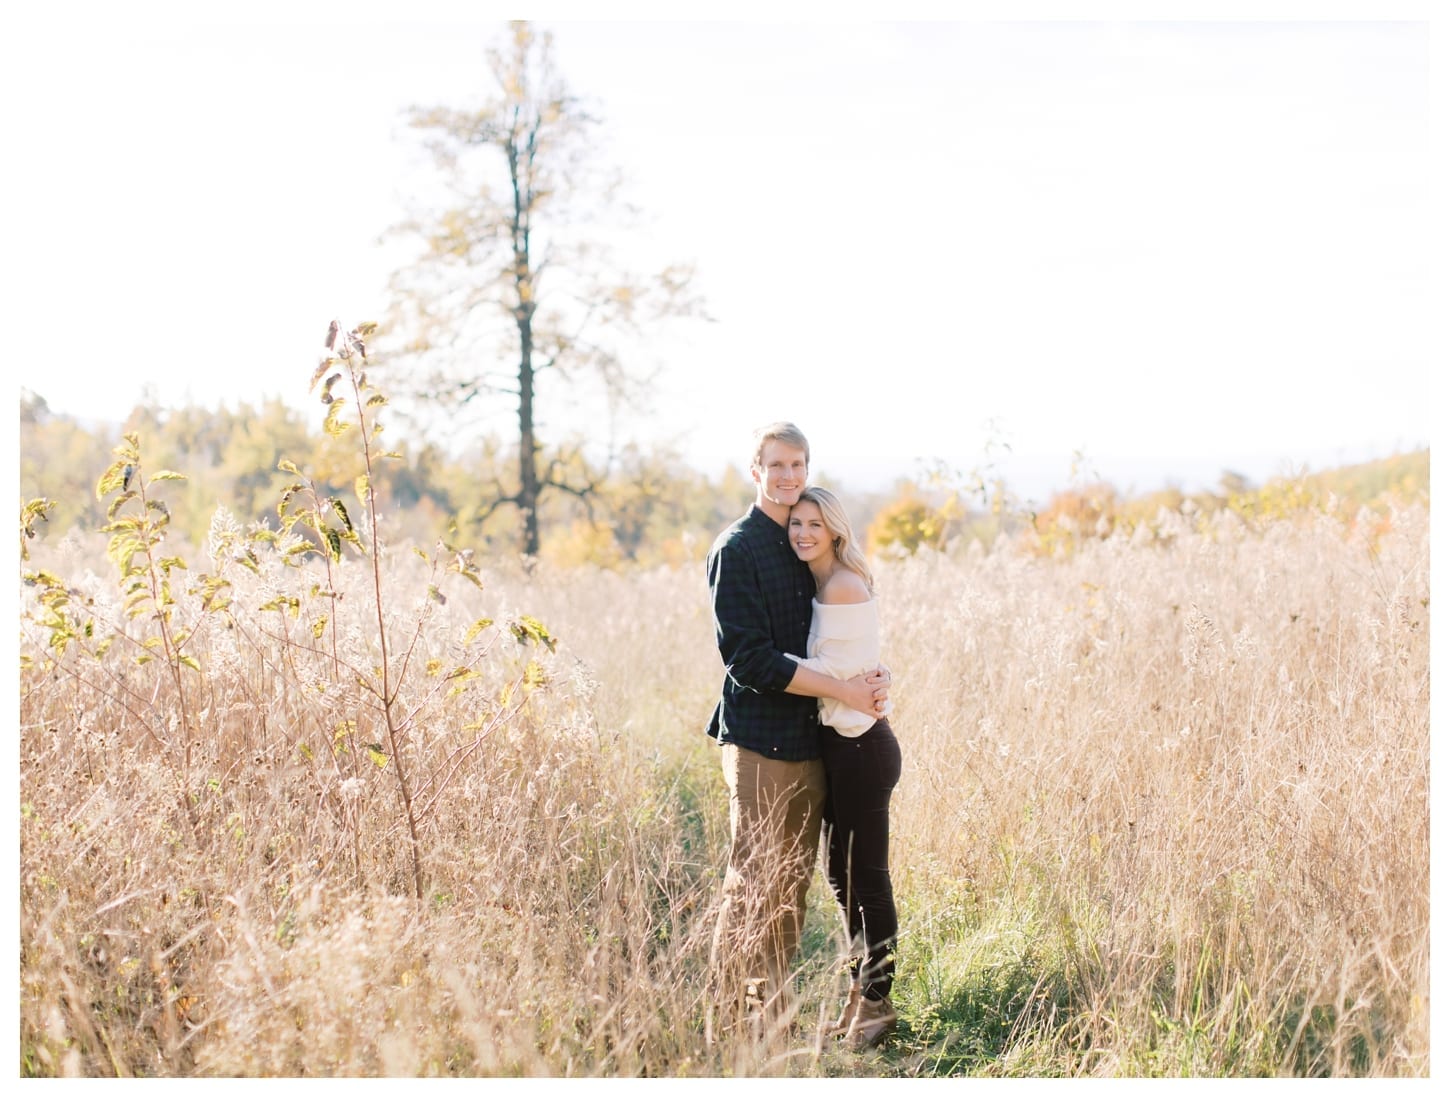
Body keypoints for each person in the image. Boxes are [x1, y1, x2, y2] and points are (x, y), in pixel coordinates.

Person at [704, 422, 889, 1043]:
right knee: (753, 882)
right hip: (760, 741)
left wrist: (872, 673)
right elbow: (750, 661)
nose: (787, 476)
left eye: (798, 464)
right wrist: (843, 688)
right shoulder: (739, 547)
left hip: (812, 744)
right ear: (754, 470)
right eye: (776, 464)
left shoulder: (801, 539)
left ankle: (771, 1018)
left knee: (791, 889)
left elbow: (843, 629)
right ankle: (737, 1017)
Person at [786, 485, 902, 1050]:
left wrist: (766, 659)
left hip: (861, 750)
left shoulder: (844, 585)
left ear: (834, 529)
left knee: (868, 881)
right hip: (841, 746)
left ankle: (878, 1005)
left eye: (814, 523)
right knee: (841, 877)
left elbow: (835, 669)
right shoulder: (822, 585)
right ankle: (860, 994)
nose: (803, 533)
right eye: (795, 524)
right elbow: (855, 668)